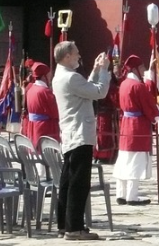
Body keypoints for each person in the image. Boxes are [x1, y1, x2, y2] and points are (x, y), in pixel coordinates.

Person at [53, 41, 111, 240]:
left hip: (71, 134)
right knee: (79, 183)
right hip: (79, 133)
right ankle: (74, 227)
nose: (79, 56)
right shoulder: (70, 77)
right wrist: (104, 71)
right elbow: (99, 92)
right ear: (67, 56)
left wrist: (95, 70)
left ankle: (64, 224)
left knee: (67, 181)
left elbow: (86, 88)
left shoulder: (62, 76)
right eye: (76, 53)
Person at [115, 54, 159, 205]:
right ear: (135, 69)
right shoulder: (138, 86)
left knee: (124, 159)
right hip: (137, 126)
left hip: (125, 125)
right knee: (135, 161)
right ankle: (132, 196)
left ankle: (121, 193)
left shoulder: (124, 84)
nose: (143, 70)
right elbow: (148, 105)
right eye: (141, 67)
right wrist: (155, 115)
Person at [23, 62, 60, 143]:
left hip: (33, 126)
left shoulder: (30, 89)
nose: (50, 77)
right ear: (44, 76)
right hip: (45, 128)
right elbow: (55, 112)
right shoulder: (45, 91)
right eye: (49, 75)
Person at [93, 62, 121, 165]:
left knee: (111, 135)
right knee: (103, 135)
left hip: (111, 112)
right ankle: (102, 156)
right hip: (104, 112)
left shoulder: (113, 81)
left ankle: (112, 156)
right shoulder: (101, 80)